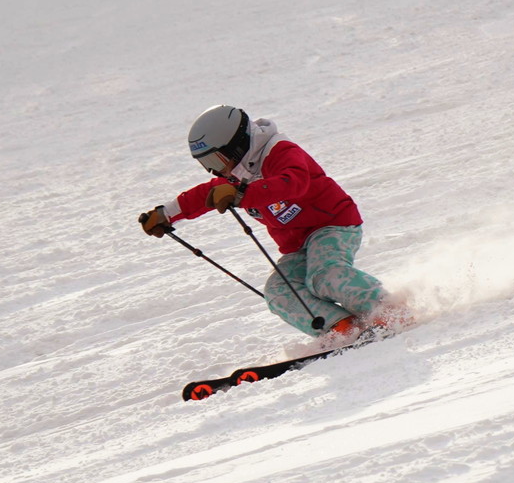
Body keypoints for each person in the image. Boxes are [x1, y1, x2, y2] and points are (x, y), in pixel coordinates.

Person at [139, 105, 409, 345]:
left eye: (215, 161)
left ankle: (387, 310)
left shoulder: (280, 151)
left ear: (236, 144)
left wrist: (243, 194)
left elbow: (294, 182)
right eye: (205, 164)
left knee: (323, 275)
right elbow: (202, 196)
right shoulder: (236, 172)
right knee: (278, 292)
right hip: (296, 246)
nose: (214, 171)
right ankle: (342, 327)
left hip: (332, 224)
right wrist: (165, 214)